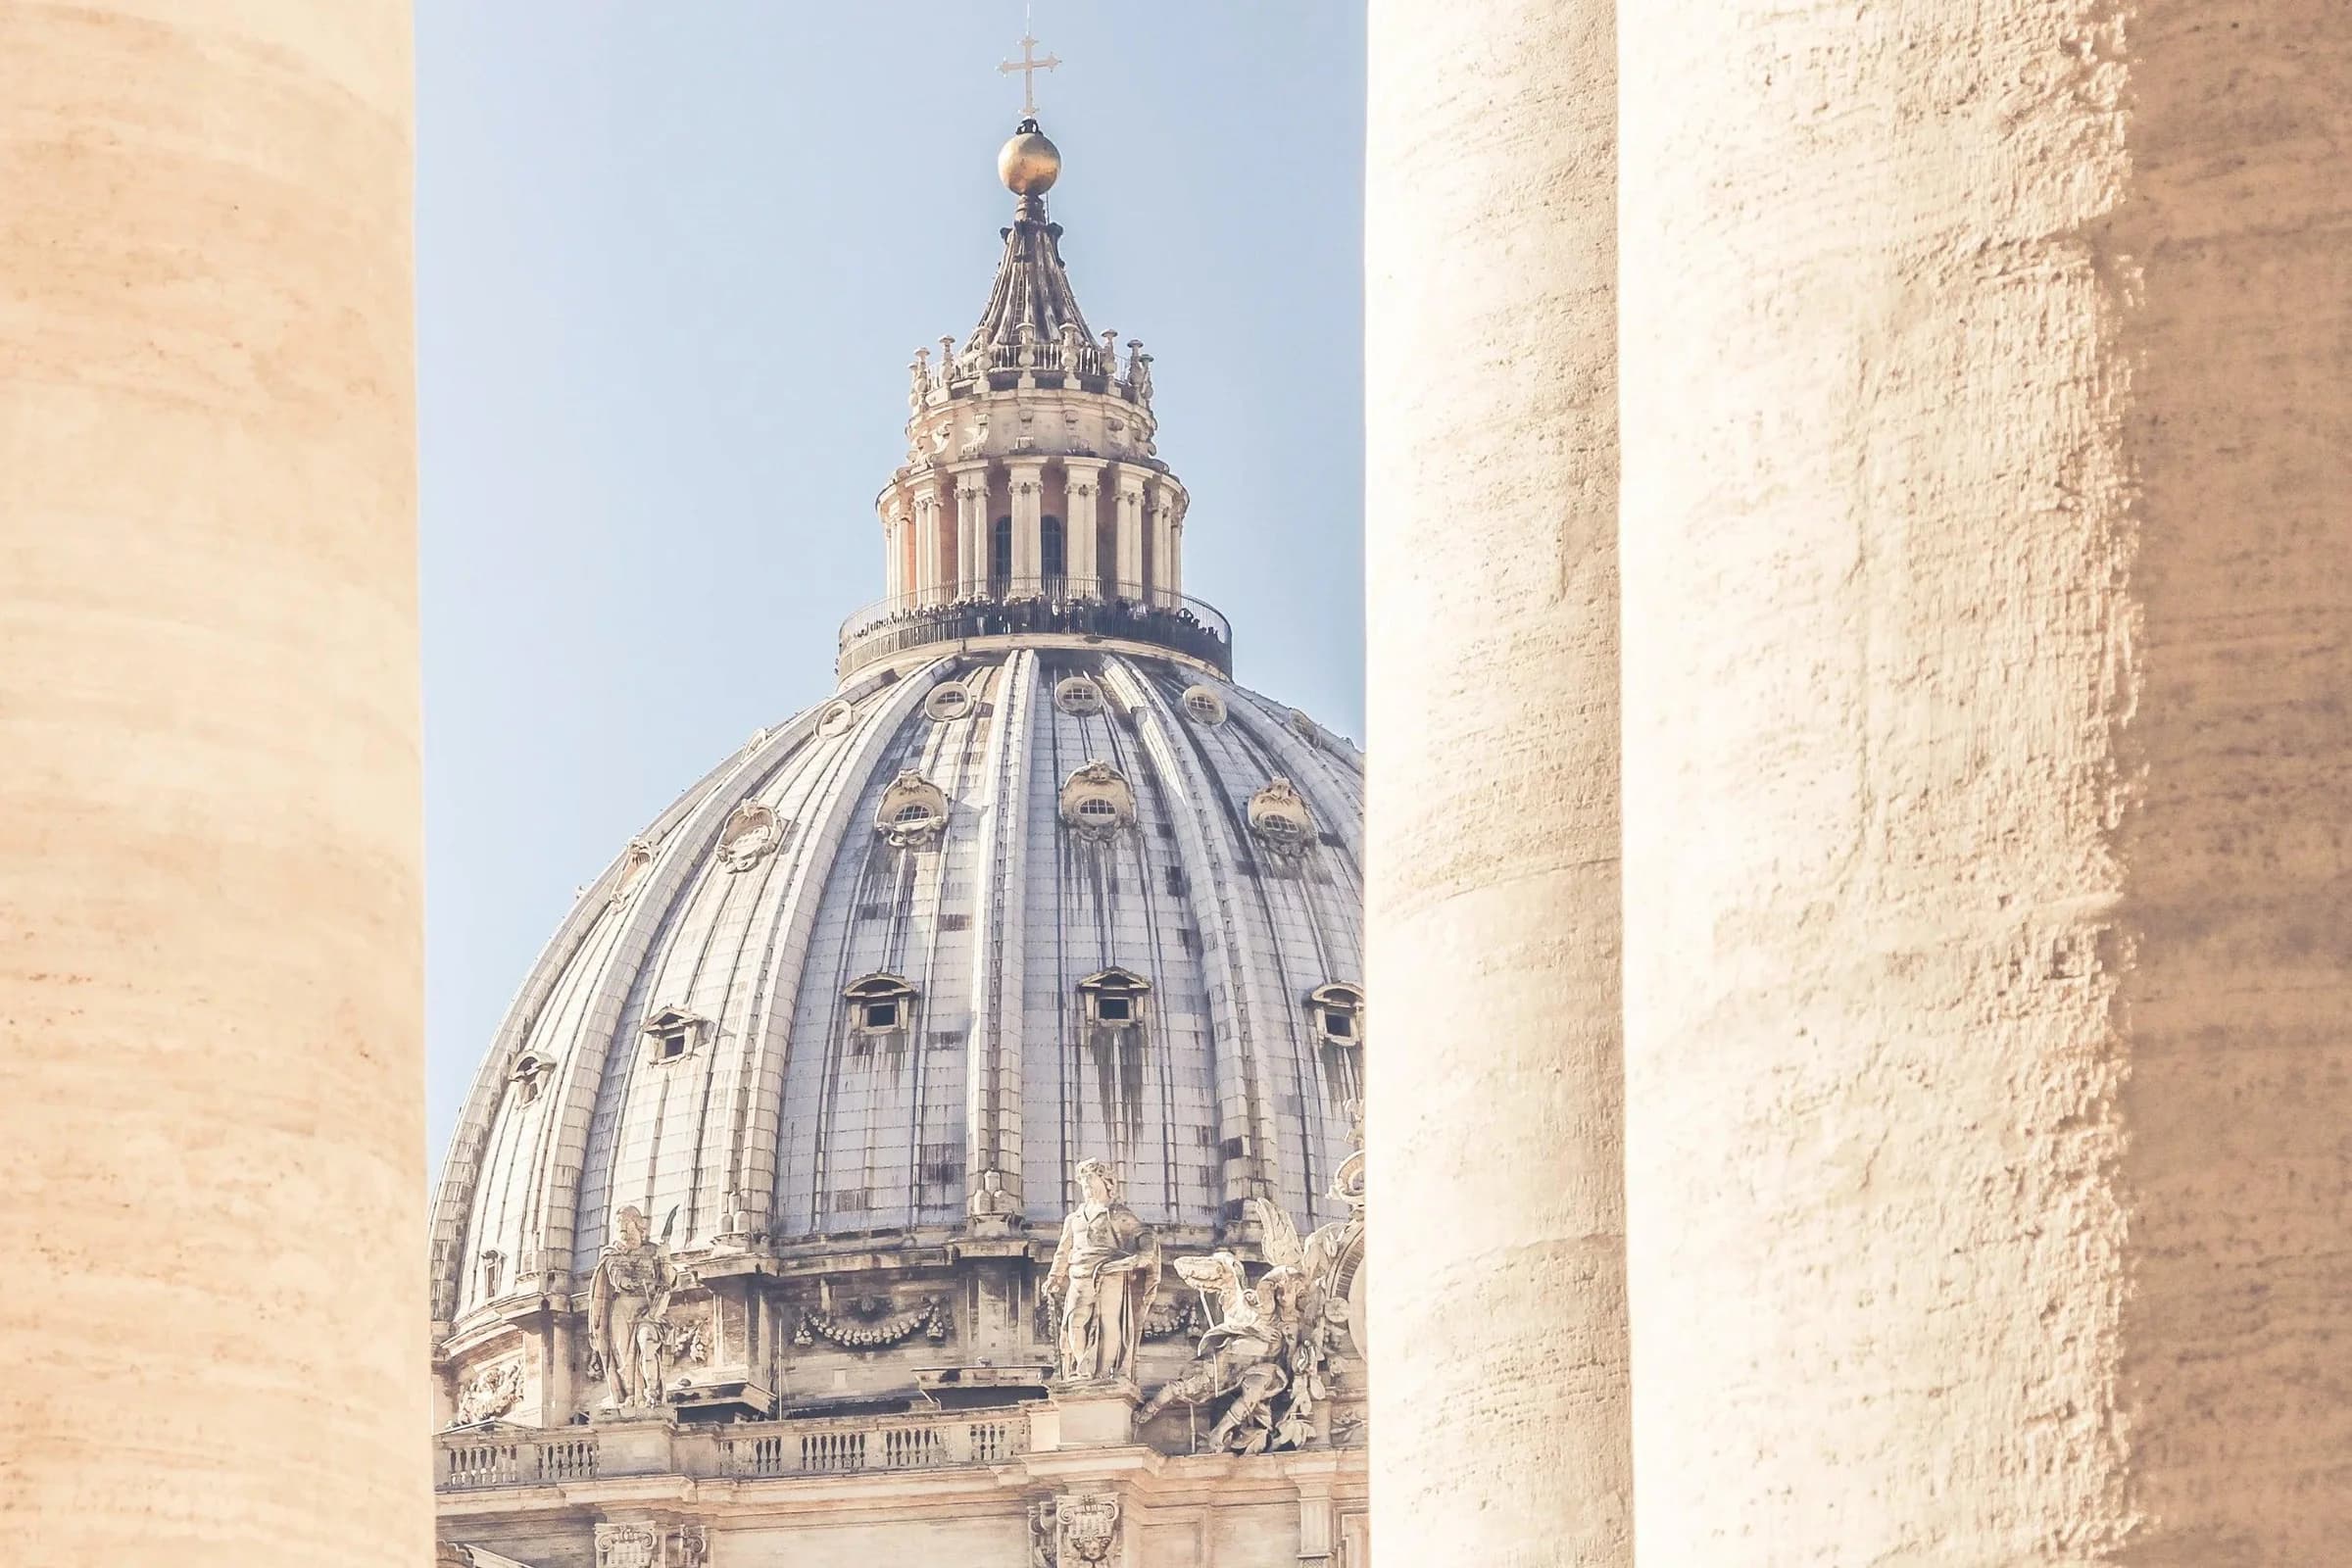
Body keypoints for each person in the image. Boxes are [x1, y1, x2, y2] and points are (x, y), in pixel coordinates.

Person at [1042, 1158, 1160, 1383]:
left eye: (1090, 1178)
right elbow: (1063, 1250)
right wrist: (1055, 1276)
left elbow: (1144, 1233)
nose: (1086, 1184)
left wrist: (1145, 1252)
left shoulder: (1116, 1213)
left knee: (1108, 1321)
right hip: (1079, 1274)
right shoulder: (1074, 1218)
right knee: (1074, 1321)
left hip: (1110, 1271)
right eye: (1083, 1180)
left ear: (1106, 1182)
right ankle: (1083, 1369)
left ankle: (1104, 1373)